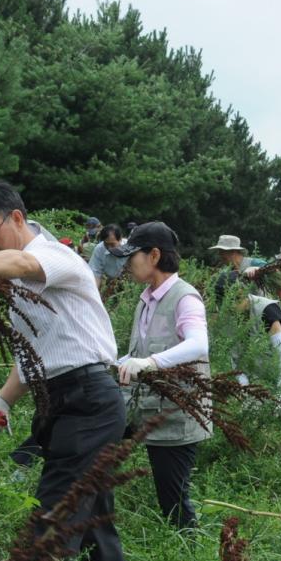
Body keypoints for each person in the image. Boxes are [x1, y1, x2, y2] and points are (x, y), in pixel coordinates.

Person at [0, 181, 130, 561]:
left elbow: (22, 264)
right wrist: (2, 402)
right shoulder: (18, 282)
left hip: (90, 400)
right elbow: (35, 352)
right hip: (59, 399)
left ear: (18, 218)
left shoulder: (52, 256)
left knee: (56, 511)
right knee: (92, 514)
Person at [109, 222, 211, 528]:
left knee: (174, 501)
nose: (127, 263)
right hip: (145, 407)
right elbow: (142, 350)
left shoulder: (184, 298)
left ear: (154, 255)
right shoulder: (146, 298)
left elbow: (198, 344)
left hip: (176, 416)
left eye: (133, 256)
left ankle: (190, 558)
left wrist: (149, 363)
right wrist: (116, 361)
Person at [87, 225, 127, 289]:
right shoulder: (99, 249)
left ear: (120, 239)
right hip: (112, 282)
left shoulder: (129, 248)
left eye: (112, 244)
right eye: (106, 244)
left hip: (130, 282)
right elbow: (95, 274)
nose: (109, 248)